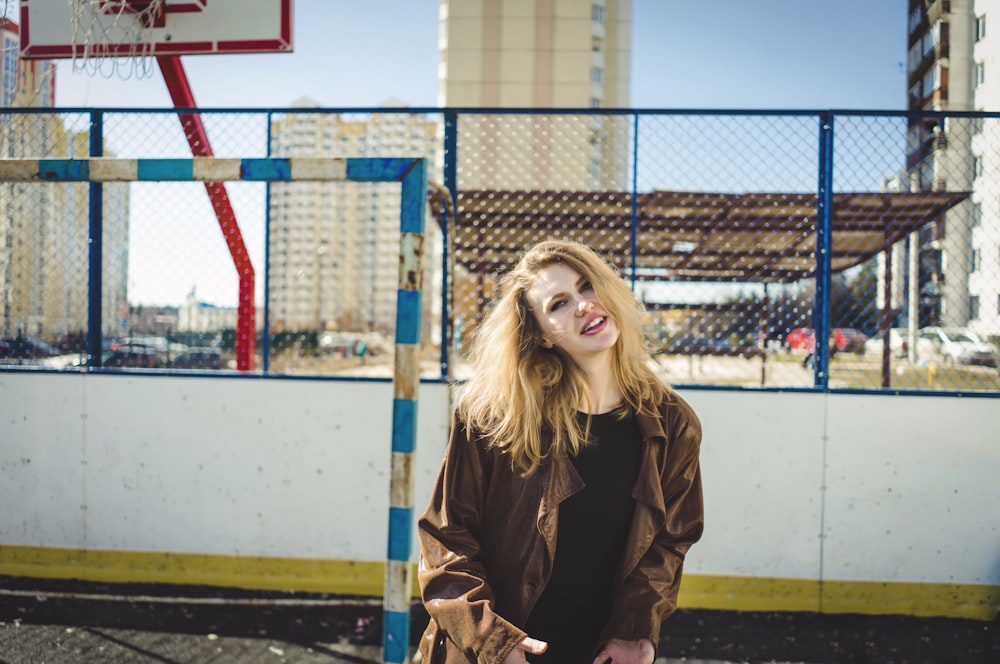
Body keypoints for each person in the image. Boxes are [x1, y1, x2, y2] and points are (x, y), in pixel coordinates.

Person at [416, 239, 704, 664]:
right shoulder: (493, 415)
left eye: (588, 286)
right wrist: (492, 639)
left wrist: (635, 630)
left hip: (598, 651)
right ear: (543, 336)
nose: (584, 305)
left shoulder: (673, 422)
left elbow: (669, 542)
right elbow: (445, 538)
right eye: (559, 304)